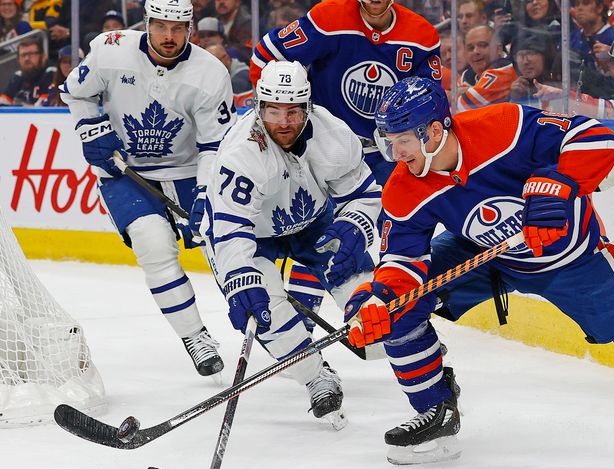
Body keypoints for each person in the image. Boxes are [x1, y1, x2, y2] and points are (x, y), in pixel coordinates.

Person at [343, 76, 614, 465]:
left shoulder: (503, 127)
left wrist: (560, 182)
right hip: (487, 254)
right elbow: (403, 261)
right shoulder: (403, 187)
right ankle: (435, 412)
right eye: (388, 143)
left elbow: (594, 137)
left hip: (573, 259)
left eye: (401, 141)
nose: (395, 155)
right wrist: (379, 299)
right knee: (399, 310)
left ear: (434, 131)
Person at [200, 61, 383, 428]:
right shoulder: (242, 154)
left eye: (293, 111)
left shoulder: (333, 136)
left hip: (313, 222)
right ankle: (317, 376)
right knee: (264, 308)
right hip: (252, 236)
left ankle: (411, 347)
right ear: (258, 106)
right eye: (273, 111)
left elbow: (365, 194)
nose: (283, 122)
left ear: (308, 107)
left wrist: (354, 224)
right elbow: (233, 230)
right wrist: (240, 278)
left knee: (369, 305)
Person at [60, 0, 235, 378]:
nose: (168, 37)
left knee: (227, 249)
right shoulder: (110, 50)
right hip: (125, 172)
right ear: (146, 24)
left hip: (189, 170)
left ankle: (269, 327)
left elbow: (214, 147)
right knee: (153, 246)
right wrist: (92, 128)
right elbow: (75, 91)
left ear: (190, 28)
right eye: (160, 27)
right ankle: (195, 337)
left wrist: (205, 192)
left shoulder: (210, 73)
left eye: (177, 28)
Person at [249, 0, 442, 336]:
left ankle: (399, 331)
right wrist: (276, 128)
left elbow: (432, 100)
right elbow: (265, 58)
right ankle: (302, 326)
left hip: (384, 155)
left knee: (376, 236)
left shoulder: (421, 36)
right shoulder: (327, 18)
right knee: (321, 232)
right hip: (321, 149)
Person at [0, 36, 53, 105]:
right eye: (23, 55)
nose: (27, 58)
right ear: (18, 60)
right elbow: (3, 102)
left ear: (43, 56)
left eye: (31, 54)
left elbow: (45, 107)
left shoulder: (51, 73)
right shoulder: (18, 76)